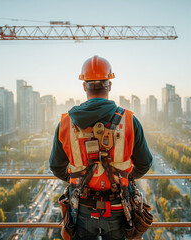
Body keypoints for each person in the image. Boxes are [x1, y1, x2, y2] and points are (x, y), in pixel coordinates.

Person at [49, 55, 153, 240]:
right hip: (118, 209)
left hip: (80, 209)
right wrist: (125, 179)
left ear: (84, 86)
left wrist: (76, 180)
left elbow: (56, 166)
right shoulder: (129, 120)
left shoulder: (66, 123)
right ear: (109, 85)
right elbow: (144, 163)